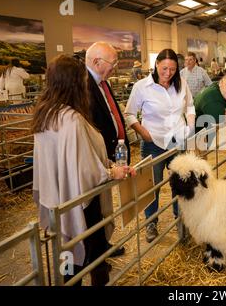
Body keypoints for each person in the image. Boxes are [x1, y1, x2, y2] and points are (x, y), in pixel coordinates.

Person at [31, 54, 135, 286]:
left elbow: (75, 156)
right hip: (81, 199)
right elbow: (86, 170)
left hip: (56, 198)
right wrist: (111, 173)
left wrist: (107, 164)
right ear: (75, 83)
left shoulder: (45, 114)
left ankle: (69, 282)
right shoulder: (72, 119)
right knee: (95, 250)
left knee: (65, 249)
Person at [124, 49, 195, 243]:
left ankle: (180, 219)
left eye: (172, 69)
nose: (168, 73)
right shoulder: (141, 87)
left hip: (177, 141)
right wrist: (142, 131)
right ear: (156, 65)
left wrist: (190, 125)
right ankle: (151, 222)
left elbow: (190, 106)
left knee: (179, 182)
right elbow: (129, 114)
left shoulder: (181, 84)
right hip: (152, 143)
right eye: (164, 68)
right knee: (152, 185)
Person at [85, 41, 130, 257]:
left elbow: (112, 113)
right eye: (112, 63)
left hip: (109, 156)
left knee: (105, 204)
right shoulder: (84, 85)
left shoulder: (103, 82)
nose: (115, 67)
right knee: (96, 206)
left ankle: (102, 243)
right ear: (96, 62)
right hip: (96, 159)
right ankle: (96, 252)